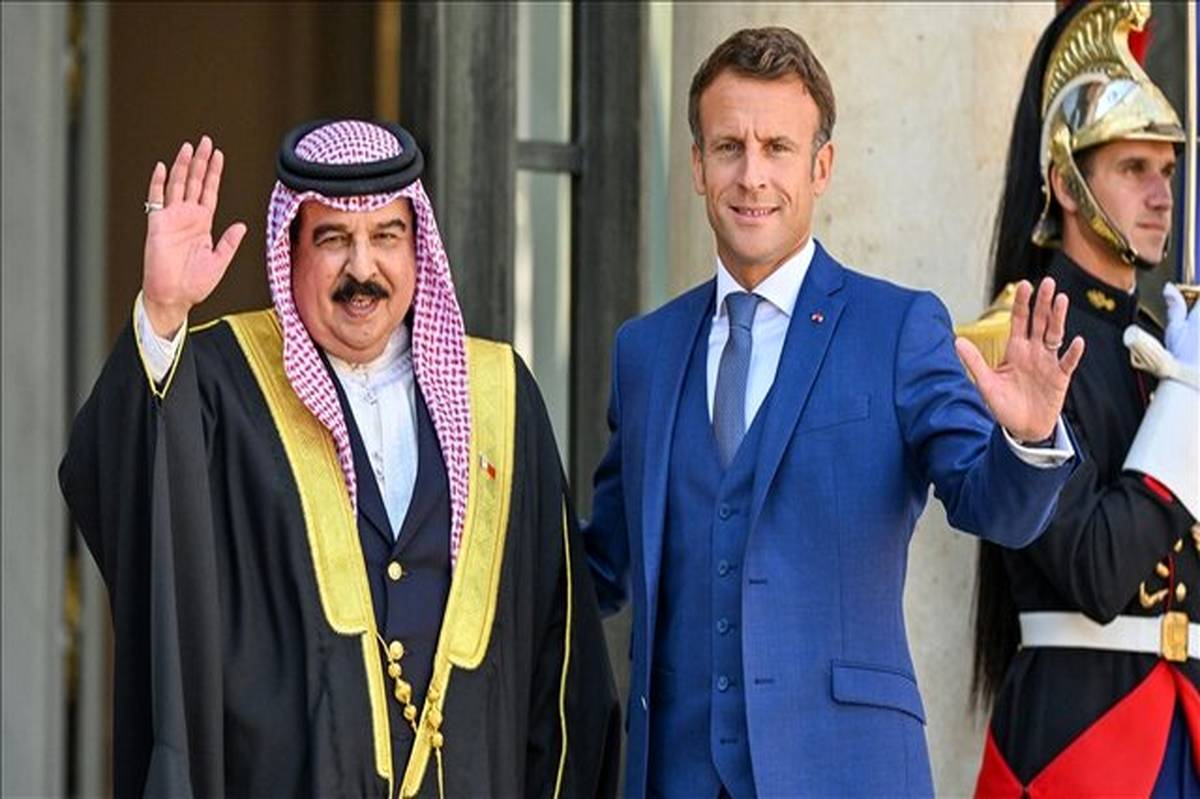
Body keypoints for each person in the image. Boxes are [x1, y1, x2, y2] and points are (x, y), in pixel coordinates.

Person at [584, 26, 1087, 797]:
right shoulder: (644, 352)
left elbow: (994, 506)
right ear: (697, 165)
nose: (752, 176)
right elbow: (599, 564)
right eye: (729, 147)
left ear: (821, 167)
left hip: (849, 771)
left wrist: (1026, 436)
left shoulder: (897, 328)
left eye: (778, 148)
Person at [60, 119, 620, 797]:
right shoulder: (219, 386)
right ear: (291, 248)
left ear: (418, 246)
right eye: (332, 239)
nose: (362, 269)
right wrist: (161, 315)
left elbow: (560, 653)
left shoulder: (499, 397)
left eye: (386, 236)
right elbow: (118, 481)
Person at [969, 1, 1199, 795]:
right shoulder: (1013, 341)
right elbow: (1097, 568)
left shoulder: (1162, 348)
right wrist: (1187, 409)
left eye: (1167, 169)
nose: (1162, 194)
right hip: (1083, 744)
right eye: (1134, 168)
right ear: (1067, 183)